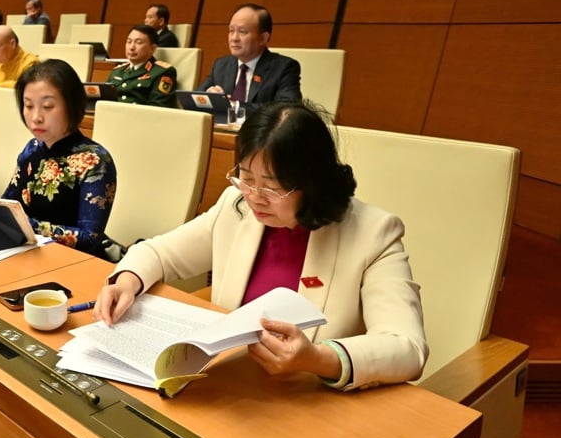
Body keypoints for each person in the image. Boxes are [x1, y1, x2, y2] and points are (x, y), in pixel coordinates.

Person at [94, 101, 428, 391]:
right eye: (245, 177)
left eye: (271, 186)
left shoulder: (373, 234)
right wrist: (127, 279)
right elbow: (160, 252)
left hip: (308, 401)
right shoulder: (235, 206)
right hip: (226, 386)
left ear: (311, 184)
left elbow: (407, 347)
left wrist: (319, 359)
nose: (253, 196)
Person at [2, 59, 116, 256]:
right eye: (28, 106)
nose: (36, 116)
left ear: (71, 105)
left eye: (47, 106)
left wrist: (29, 226)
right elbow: (8, 203)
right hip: (27, 253)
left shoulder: (95, 161)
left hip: (73, 262)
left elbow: (89, 239)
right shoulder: (32, 149)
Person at [197, 3, 301, 112]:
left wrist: (234, 106)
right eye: (231, 30)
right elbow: (193, 99)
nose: (234, 38)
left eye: (242, 32)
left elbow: (287, 110)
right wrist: (209, 98)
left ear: (263, 38)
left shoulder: (284, 68)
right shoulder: (221, 65)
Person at [106, 25, 177, 107]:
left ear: (153, 48)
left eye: (138, 42)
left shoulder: (163, 72)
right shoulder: (117, 71)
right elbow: (102, 98)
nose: (131, 47)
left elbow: (158, 107)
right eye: (129, 42)